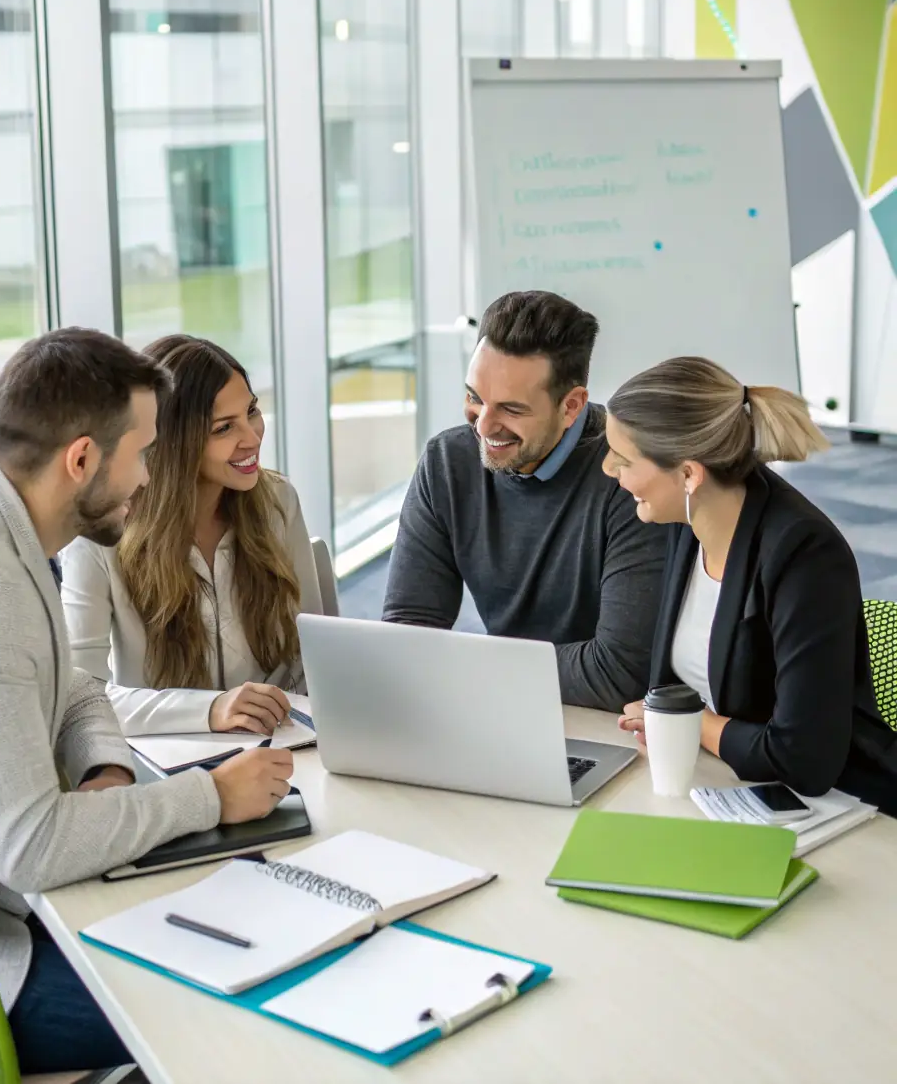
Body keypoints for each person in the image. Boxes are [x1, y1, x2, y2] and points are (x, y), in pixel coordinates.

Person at [0, 329, 293, 1074]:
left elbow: (75, 685)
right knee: (232, 1001)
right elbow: (30, 844)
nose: (148, 476)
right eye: (141, 454)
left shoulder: (1, 524)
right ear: (82, 460)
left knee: (236, 930)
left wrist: (107, 767)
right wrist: (210, 797)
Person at [604, 356, 897, 814]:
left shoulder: (804, 554)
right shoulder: (688, 522)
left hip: (832, 806)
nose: (607, 469)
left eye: (623, 459)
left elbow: (803, 758)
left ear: (688, 474)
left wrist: (687, 723)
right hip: (720, 784)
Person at [383, 290, 667, 711]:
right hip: (509, 706)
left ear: (570, 406)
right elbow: (408, 638)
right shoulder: (448, 462)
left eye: (510, 409)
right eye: (475, 397)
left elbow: (618, 673)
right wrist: (494, 671)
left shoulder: (630, 476)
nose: (483, 426)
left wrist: (465, 665)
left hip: (620, 728)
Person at [61, 334, 322, 737]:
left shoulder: (278, 501)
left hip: (282, 747)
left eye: (251, 410)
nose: (252, 437)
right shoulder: (99, 533)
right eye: (224, 428)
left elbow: (317, 654)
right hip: (168, 765)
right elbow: (79, 697)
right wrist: (210, 710)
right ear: (171, 441)